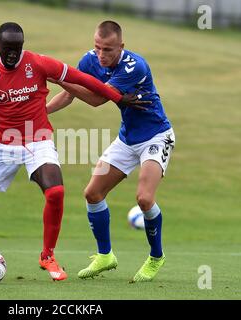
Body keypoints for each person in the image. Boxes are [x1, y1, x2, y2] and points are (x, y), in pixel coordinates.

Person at [0, 22, 145, 282]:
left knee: (56, 191)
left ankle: (47, 256)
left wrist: (117, 98)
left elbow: (80, 78)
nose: (13, 54)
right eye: (7, 49)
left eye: (17, 48)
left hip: (38, 141)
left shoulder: (38, 64)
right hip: (2, 145)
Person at [46, 20, 175, 283]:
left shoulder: (134, 66)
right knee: (92, 193)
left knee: (144, 199)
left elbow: (96, 99)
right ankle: (105, 255)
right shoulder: (90, 61)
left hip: (156, 136)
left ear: (121, 47)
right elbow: (69, 95)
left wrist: (61, 79)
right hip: (127, 139)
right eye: (97, 48)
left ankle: (156, 256)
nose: (101, 55)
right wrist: (40, 112)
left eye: (108, 50)